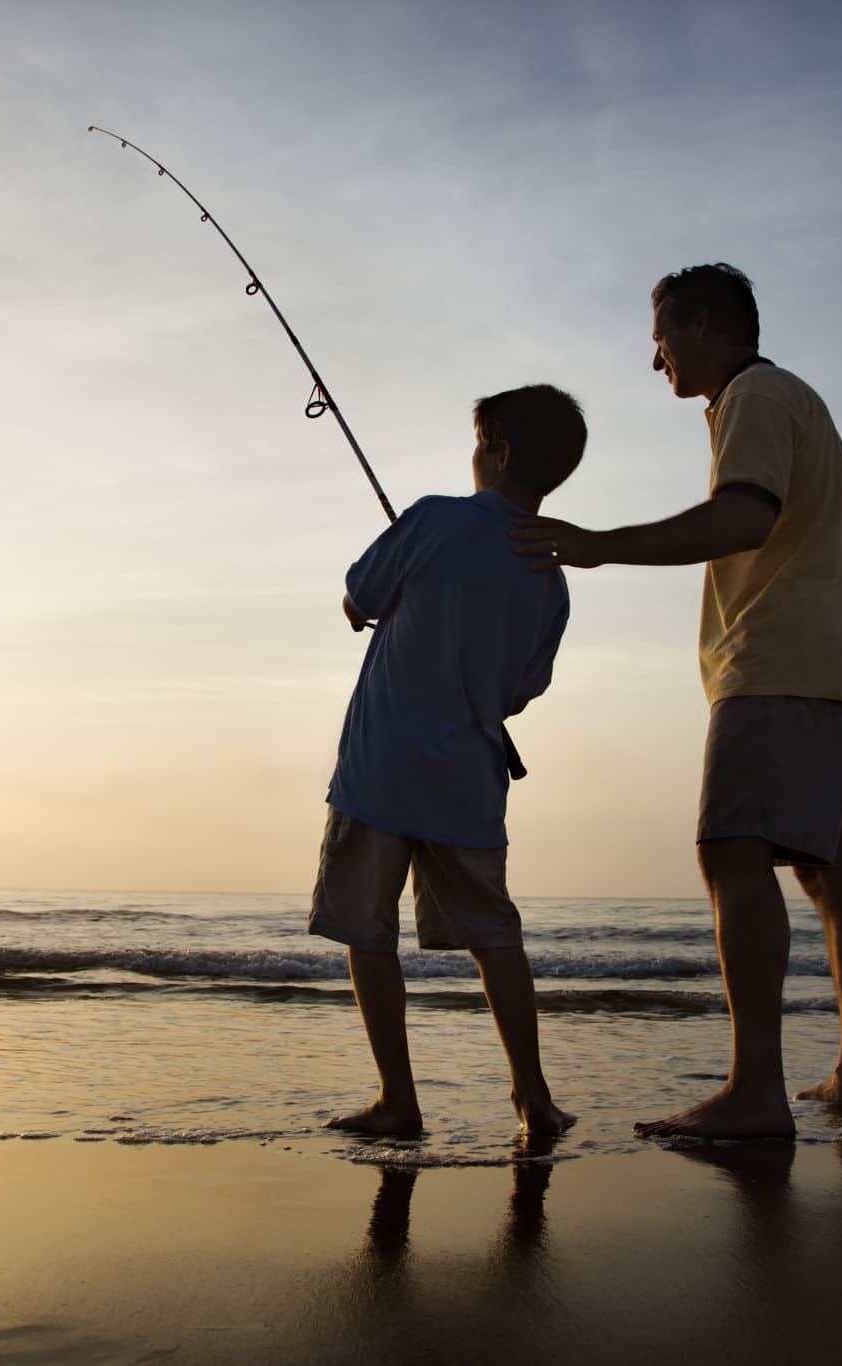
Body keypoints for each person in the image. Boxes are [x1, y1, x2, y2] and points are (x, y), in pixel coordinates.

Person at [510, 264, 842, 1140]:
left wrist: (599, 545)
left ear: (707, 326)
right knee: (831, 873)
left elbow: (743, 520)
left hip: (775, 663)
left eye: (662, 340)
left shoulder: (755, 396)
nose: (657, 362)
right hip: (835, 670)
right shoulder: (794, 399)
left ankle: (756, 1090)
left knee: (729, 852)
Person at [310, 383, 586, 1138]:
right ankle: (533, 1097)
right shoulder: (551, 576)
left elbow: (356, 597)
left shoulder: (434, 518)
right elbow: (522, 691)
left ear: (495, 453)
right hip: (468, 780)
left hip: (379, 770)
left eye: (477, 443)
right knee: (495, 936)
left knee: (370, 933)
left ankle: (399, 1101)